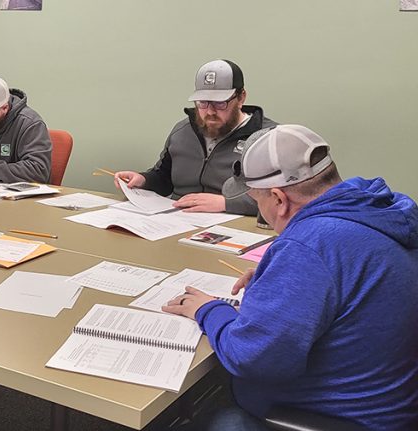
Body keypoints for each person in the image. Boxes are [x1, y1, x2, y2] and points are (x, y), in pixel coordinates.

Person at [163, 125, 418, 430]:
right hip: (390, 401)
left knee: (216, 419)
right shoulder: (374, 210)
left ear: (278, 199)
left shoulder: (310, 246)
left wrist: (208, 310)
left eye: (258, 201)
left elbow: (251, 359)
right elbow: (348, 273)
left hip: (340, 415)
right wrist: (283, 276)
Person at [114, 60, 277, 215]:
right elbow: (164, 177)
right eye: (203, 102)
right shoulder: (183, 131)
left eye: (220, 103)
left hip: (235, 229)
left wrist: (225, 203)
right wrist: (143, 180)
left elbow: (284, 199)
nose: (210, 111)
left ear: (241, 97)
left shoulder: (268, 138)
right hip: (176, 222)